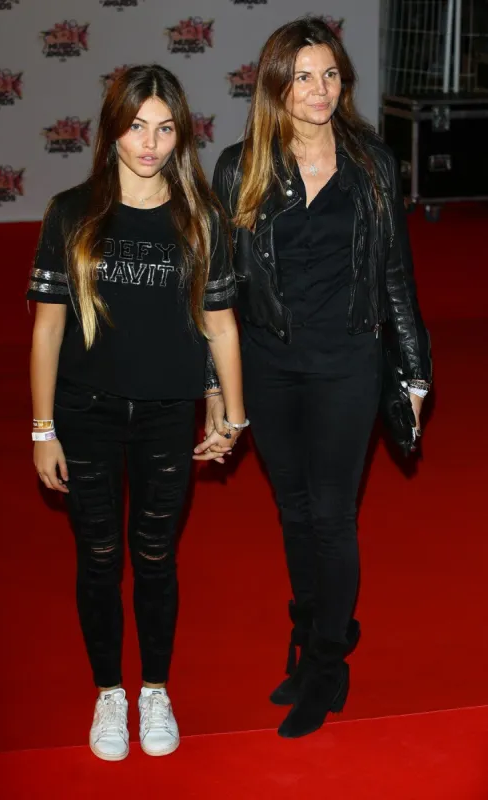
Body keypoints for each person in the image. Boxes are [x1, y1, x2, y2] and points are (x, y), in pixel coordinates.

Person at [196, 16, 432, 738]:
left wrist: (415, 377)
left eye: (329, 74)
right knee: (292, 512)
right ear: (275, 84)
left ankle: (328, 662)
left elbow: (395, 273)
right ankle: (310, 631)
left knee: (331, 516)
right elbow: (219, 290)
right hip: (269, 363)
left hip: (347, 362)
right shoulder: (240, 166)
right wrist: (216, 386)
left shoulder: (371, 164)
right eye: (301, 75)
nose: (318, 89)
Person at [28, 65, 246, 761]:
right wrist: (42, 429)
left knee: (154, 558)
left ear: (180, 135)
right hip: (84, 412)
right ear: (112, 129)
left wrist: (230, 415)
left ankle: (153, 688)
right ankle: (108, 694)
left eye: (164, 128)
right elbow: (47, 331)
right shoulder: (71, 212)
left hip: (164, 414)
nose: (148, 142)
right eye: (135, 126)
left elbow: (219, 326)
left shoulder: (201, 217)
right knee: (98, 557)